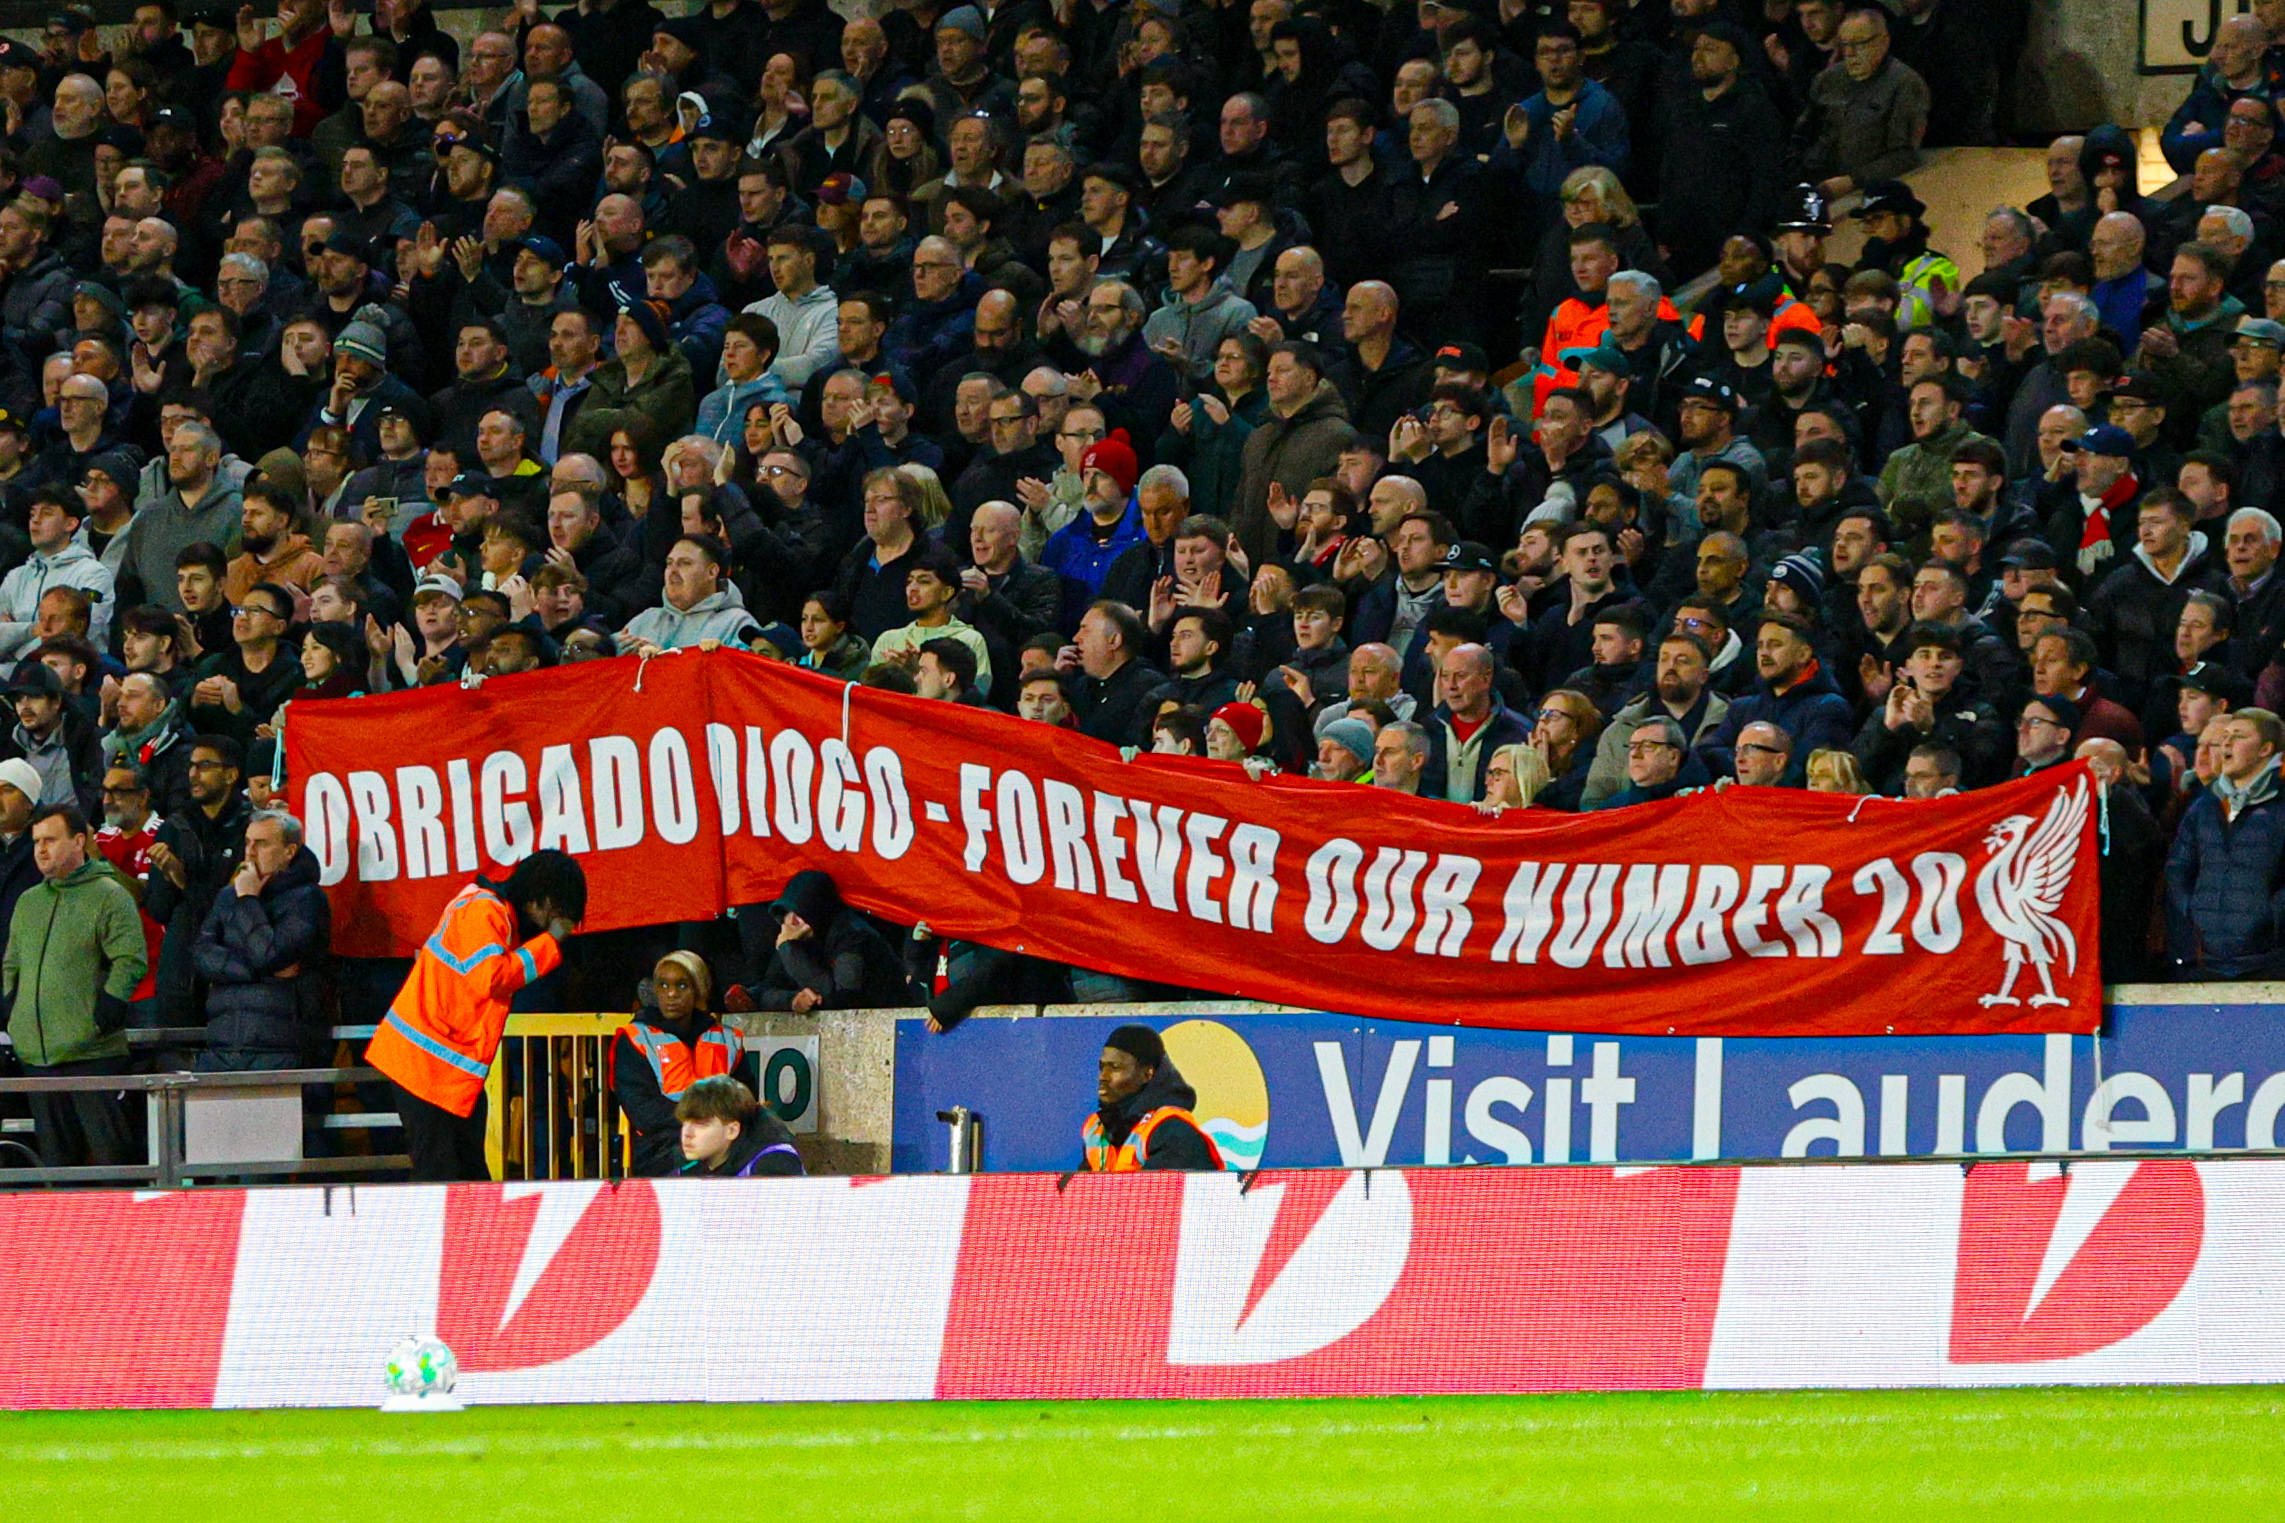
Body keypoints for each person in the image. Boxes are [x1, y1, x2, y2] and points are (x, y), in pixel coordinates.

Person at [364, 850, 586, 1182]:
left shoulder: (492, 914)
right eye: (560, 919)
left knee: (466, 1177)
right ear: (544, 903)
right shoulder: (484, 910)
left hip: (440, 1069)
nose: (556, 929)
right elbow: (490, 978)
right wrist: (549, 943)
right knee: (440, 1174)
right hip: (424, 1067)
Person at [4, 803, 147, 1169]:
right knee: (57, 1168)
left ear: (79, 841)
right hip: (37, 1058)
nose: (41, 849)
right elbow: (11, 963)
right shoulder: (28, 902)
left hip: (93, 1057)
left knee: (112, 1166)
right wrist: (12, 1010)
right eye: (37, 841)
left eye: (50, 840)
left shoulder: (109, 895)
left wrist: (103, 1014)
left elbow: (131, 959)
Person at [191, 808, 329, 1072]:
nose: (250, 852)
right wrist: (258, 972)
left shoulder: (307, 899)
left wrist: (248, 900)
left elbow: (269, 955)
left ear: (289, 852)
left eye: (262, 844)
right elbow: (201, 954)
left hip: (284, 1048)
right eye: (247, 843)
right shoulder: (227, 896)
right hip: (223, 1044)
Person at [2166, 707, 2285, 979]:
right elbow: (2178, 869)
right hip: (2205, 961)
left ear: (2265, 749)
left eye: (2239, 736)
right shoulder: (2204, 806)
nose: (2226, 744)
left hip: (2269, 962)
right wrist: (2192, 912)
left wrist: (2271, 919)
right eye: (2225, 737)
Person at [614, 951, 746, 1177]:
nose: (671, 994)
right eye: (663, 986)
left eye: (682, 986)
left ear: (699, 991)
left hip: (722, 1142)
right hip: (662, 1147)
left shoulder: (728, 1038)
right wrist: (705, 1122)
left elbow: (744, 1098)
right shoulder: (635, 1038)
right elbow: (643, 1112)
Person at [734, 868, 909, 1012]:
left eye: (799, 913)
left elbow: (842, 999)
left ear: (818, 911)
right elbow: (765, 992)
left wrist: (789, 951)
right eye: (786, 913)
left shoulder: (852, 935)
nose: (791, 921)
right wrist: (793, 1000)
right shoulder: (796, 938)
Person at [1082, 1023, 1222, 1172]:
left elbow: (1159, 1187)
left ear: (1147, 1074)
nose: (1102, 1077)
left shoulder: (1173, 1129)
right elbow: (1079, 1185)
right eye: (1102, 1067)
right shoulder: (1096, 1127)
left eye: (1115, 1067)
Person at [676, 1073, 804, 1177]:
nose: (687, 1134)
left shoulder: (774, 1164)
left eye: (699, 1124)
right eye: (684, 1123)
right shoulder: (686, 1166)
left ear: (732, 1130)